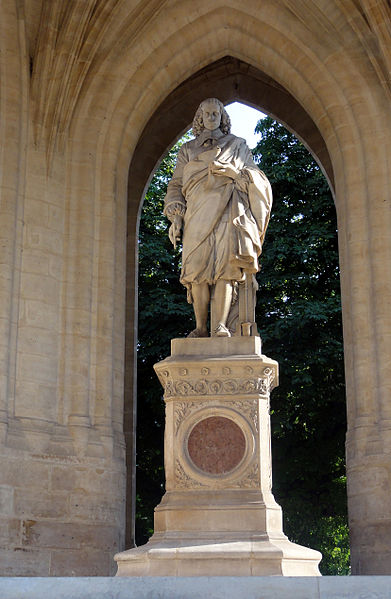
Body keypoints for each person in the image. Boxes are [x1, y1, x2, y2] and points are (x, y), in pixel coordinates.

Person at [164, 98, 272, 338]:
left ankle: (221, 325)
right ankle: (201, 328)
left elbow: (256, 177)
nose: (212, 117)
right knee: (197, 270)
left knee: (225, 268)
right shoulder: (188, 150)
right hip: (195, 215)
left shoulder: (238, 145)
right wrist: (175, 216)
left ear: (223, 117)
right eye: (208, 113)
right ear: (200, 118)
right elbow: (176, 186)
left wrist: (236, 173)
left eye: (216, 113)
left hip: (228, 212)